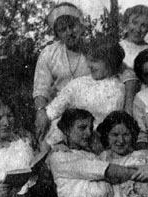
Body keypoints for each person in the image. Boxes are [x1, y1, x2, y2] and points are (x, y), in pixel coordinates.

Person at [43, 36, 126, 152]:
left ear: (110, 61)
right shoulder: (79, 83)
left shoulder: (120, 89)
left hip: (98, 147)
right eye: (89, 60)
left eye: (95, 61)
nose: (89, 65)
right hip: (63, 143)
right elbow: (51, 111)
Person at [34, 2, 90, 142]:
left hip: (89, 113)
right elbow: (41, 89)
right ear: (57, 34)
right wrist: (41, 112)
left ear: (81, 25)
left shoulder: (94, 49)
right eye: (62, 29)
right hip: (59, 114)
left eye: (72, 26)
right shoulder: (49, 53)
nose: (69, 32)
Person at [119, 5, 148, 114]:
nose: (137, 29)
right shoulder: (118, 48)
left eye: (143, 25)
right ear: (127, 24)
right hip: (121, 100)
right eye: (134, 23)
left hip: (146, 100)